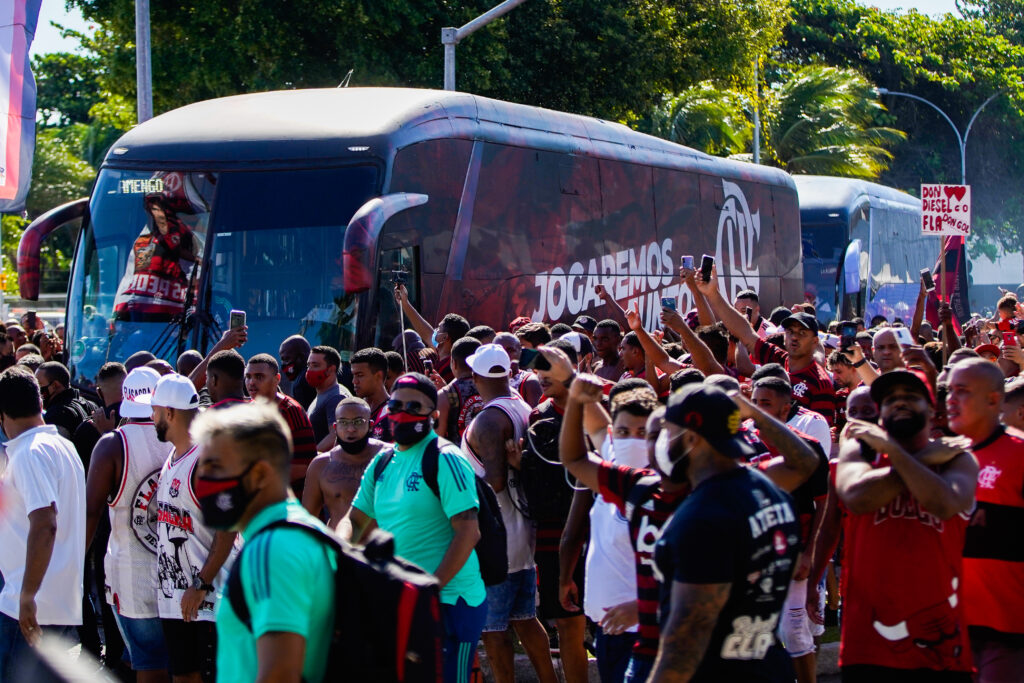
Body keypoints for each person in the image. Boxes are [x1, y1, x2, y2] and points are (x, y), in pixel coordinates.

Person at [648, 383, 801, 682]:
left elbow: (688, 638)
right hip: (769, 666)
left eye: (669, 430)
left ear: (691, 437)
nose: (663, 441)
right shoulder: (772, 493)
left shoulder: (704, 519)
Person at [836, 370, 977, 681]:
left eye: (911, 397)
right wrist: (920, 458)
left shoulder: (957, 458)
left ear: (931, 408)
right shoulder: (860, 450)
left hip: (943, 644)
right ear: (880, 411)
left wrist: (897, 453)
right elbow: (858, 499)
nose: (899, 403)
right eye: (890, 399)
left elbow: (944, 504)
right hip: (869, 643)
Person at [349, 373, 487, 683]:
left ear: (434, 415)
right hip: (403, 598)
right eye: (397, 404)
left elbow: (469, 531)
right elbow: (356, 521)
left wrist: (431, 589)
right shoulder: (382, 461)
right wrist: (335, 559)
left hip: (451, 600)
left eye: (415, 406)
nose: (403, 411)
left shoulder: (446, 458)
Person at [192, 401, 337, 683]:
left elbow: (279, 674)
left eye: (214, 466)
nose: (202, 480)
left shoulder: (272, 549)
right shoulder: (295, 532)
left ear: (259, 474)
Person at [460, 344, 559, 683]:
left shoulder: (488, 418)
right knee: (525, 620)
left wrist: (454, 495)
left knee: (493, 629)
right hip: (521, 535)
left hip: (496, 540)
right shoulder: (522, 406)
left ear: (475, 377)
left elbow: (496, 482)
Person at [84, 367, 170, 681]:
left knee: (147, 662)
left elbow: (91, 512)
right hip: (181, 575)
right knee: (181, 665)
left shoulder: (111, 445)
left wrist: (75, 565)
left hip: (131, 577)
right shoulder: (183, 438)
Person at [151, 373, 238, 683]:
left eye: (155, 410)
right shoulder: (174, 456)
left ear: (170, 413)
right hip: (178, 599)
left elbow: (227, 531)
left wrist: (200, 584)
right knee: (184, 677)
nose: (152, 417)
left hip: (208, 602)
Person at [0, 367, 86, 679]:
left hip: (27, 606)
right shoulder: (62, 446)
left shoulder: (28, 453)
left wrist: (26, 597)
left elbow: (45, 522)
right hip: (54, 600)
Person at [946, 358, 1024, 680]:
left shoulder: (1019, 455)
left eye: (962, 391)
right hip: (949, 631)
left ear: (993, 400)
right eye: (948, 390)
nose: (950, 399)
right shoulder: (942, 457)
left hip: (1008, 632)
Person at [696, 265, 836, 424]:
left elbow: (822, 434)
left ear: (814, 341)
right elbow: (745, 333)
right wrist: (713, 294)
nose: (794, 337)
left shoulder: (821, 383)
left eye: (802, 333)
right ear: (784, 336)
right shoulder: (777, 359)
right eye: (790, 331)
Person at [302, 397, 385, 533]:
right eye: (344, 422)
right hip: (341, 550)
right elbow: (307, 521)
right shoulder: (321, 465)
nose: (350, 429)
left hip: (385, 550)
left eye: (358, 422)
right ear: (335, 427)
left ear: (370, 425)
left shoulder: (389, 457)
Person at [244, 353, 317, 491]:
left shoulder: (290, 411)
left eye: (259, 377)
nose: (251, 382)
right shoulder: (247, 410)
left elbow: (305, 466)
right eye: (248, 377)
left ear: (277, 379)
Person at [394, 283, 469, 382]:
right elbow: (425, 331)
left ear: (444, 338)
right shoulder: (444, 358)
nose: (435, 331)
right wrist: (405, 303)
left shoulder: (451, 368)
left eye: (438, 328)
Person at [36, 360, 99, 440]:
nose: (36, 390)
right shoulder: (91, 405)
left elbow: (54, 449)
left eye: (39, 385)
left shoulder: (57, 415)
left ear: (55, 385)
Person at [436, 337, 484, 441]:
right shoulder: (492, 386)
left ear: (454, 363)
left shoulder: (444, 396)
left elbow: (437, 440)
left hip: (458, 456)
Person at [306, 345, 351, 445]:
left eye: (315, 365)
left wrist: (314, 457)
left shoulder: (336, 397)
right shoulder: (325, 393)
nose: (309, 370)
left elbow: (335, 435)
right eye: (308, 365)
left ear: (330, 370)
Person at [350, 347, 392, 441]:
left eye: (360, 375)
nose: (354, 381)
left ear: (378, 376)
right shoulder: (351, 410)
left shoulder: (394, 414)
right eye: (353, 375)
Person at [493, 332, 543, 407]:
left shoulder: (530, 382)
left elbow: (535, 417)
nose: (505, 354)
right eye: (500, 350)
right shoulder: (485, 380)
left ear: (520, 350)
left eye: (510, 350)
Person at [278, 334, 316, 409]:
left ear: (301, 357)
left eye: (287, 359)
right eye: (282, 360)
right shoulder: (314, 376)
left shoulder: (301, 382)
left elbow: (301, 415)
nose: (283, 365)